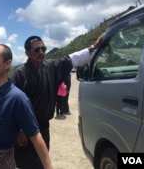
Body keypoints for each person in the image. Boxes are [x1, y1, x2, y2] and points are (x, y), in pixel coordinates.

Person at [11, 34, 104, 169]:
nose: (41, 52)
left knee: (41, 161)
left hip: (43, 127)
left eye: (43, 48)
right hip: (25, 129)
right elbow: (13, 103)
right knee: (25, 163)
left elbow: (72, 59)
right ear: (27, 53)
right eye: (36, 50)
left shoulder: (51, 66)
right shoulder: (19, 73)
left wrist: (93, 47)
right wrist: (19, 131)